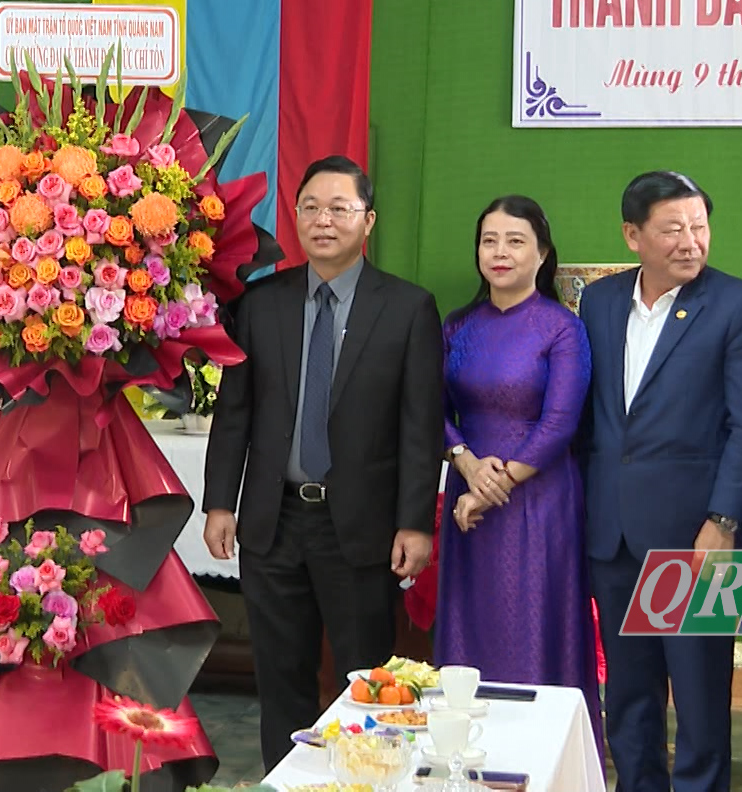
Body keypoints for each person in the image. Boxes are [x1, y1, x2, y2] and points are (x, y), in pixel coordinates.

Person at [203, 155, 444, 770]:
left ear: (369, 221)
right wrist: (220, 502)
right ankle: (285, 782)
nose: (323, 220)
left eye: (339, 208)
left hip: (361, 527)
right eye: (309, 207)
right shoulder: (261, 306)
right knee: (281, 679)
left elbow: (420, 425)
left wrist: (415, 521)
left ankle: (370, 779)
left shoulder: (408, 308)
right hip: (272, 522)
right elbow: (236, 413)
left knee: (366, 680)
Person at [578, 170, 742, 792]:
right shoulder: (601, 301)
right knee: (630, 695)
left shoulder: (741, 305)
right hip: (613, 532)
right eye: (674, 229)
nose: (691, 241)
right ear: (633, 235)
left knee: (698, 698)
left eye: (700, 226)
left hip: (696, 537)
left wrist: (723, 521)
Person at [435, 196, 599, 742]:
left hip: (538, 500)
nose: (500, 252)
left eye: (515, 241)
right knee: (470, 623)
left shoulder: (561, 328)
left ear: (543, 253)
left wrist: (489, 487)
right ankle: (465, 752)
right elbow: (432, 409)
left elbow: (560, 423)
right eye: (489, 240)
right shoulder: (457, 324)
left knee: (534, 623)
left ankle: (540, 755)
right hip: (467, 491)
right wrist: (465, 461)